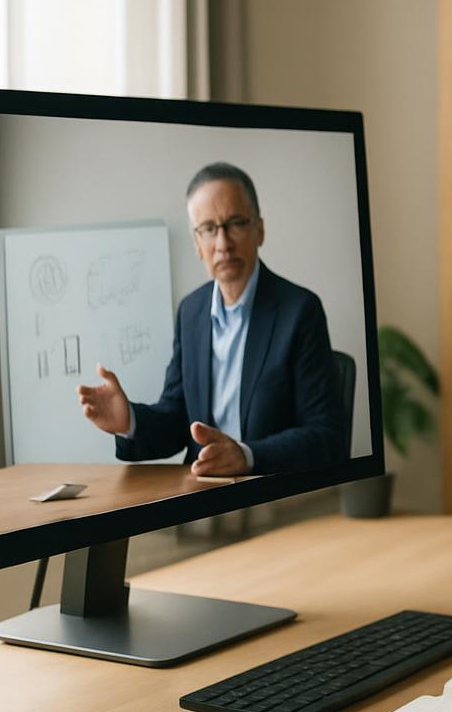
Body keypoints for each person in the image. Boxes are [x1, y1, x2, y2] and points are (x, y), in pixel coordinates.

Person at [77, 162, 347, 476]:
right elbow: (177, 419)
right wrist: (129, 421)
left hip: (272, 493)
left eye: (235, 223)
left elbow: (327, 436)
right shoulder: (191, 312)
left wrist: (246, 456)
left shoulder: (299, 311)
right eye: (209, 229)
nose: (223, 244)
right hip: (202, 495)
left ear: (259, 229)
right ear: (197, 244)